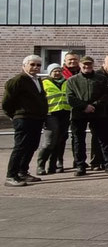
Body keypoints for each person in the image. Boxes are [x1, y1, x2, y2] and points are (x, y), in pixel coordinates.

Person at [67, 56, 108, 176]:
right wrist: (84, 106)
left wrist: (94, 105)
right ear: (80, 65)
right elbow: (70, 97)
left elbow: (107, 95)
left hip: (98, 113)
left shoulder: (101, 79)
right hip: (79, 114)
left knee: (103, 139)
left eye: (89, 65)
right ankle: (80, 165)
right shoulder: (72, 80)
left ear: (93, 65)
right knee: (79, 140)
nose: (87, 67)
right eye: (84, 65)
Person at [3, 55, 48, 186]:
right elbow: (7, 102)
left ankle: (22, 172)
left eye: (38, 65)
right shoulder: (18, 80)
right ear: (24, 65)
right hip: (23, 118)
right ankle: (11, 175)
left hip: (36, 119)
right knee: (21, 146)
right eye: (32, 64)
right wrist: (15, 115)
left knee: (32, 146)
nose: (35, 67)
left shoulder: (37, 80)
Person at [36, 63, 70, 175]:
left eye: (59, 71)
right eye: (54, 71)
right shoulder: (44, 83)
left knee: (59, 141)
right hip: (51, 114)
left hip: (64, 113)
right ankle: (40, 165)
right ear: (50, 72)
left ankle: (53, 165)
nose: (57, 73)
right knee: (49, 141)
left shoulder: (66, 82)